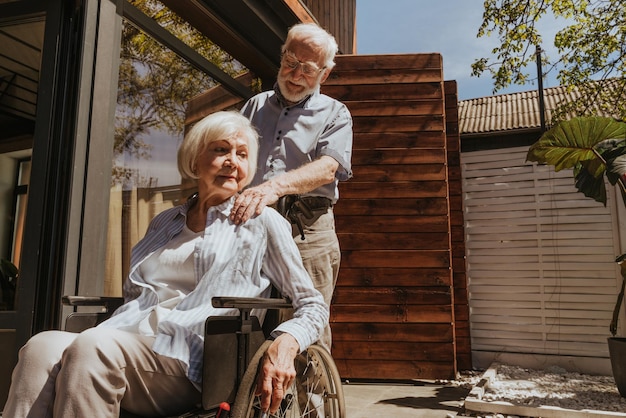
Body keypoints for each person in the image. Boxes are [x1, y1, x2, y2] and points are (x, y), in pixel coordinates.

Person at [3, 111, 328, 418]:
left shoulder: (261, 222)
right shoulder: (164, 222)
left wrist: (284, 343)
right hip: (129, 338)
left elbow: (312, 305)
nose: (232, 162)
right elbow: (138, 295)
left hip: (192, 358)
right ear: (195, 160)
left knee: (93, 346)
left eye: (242, 155)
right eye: (221, 150)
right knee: (40, 346)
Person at [231, 22, 353, 351]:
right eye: (290, 61)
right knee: (243, 318)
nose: (296, 74)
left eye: (308, 68)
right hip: (251, 224)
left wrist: (274, 187)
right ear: (282, 55)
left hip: (307, 227)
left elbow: (329, 168)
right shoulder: (253, 107)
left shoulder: (335, 113)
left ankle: (312, 401)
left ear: (324, 74)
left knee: (306, 324)